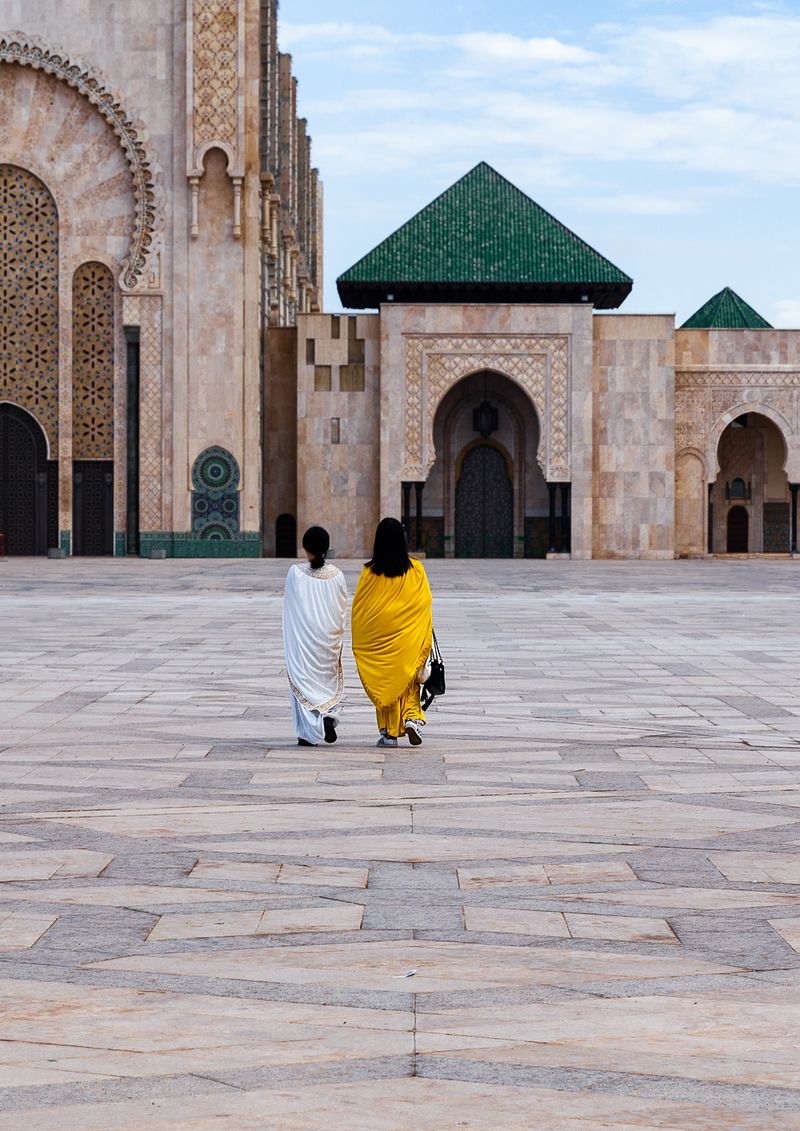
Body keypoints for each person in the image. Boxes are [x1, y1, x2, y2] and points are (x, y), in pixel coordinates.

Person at [351, 517, 432, 747]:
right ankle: (411, 718)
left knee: (385, 680)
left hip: (378, 641)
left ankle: (388, 733)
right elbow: (424, 601)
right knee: (408, 678)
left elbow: (360, 610)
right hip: (408, 636)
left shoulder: (369, 572)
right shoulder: (416, 569)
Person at [282, 526, 347, 747]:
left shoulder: (296, 573)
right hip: (328, 641)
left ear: (305, 547)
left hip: (304, 642)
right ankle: (328, 714)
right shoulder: (338, 576)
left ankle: (308, 734)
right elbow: (341, 611)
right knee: (325, 680)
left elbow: (290, 610)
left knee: (304, 680)